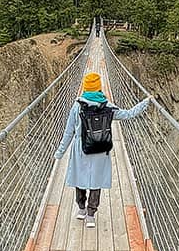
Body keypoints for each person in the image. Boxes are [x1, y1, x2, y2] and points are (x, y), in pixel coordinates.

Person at [53, 71, 150, 228]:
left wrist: (60, 152)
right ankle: (91, 215)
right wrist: (145, 103)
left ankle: (81, 209)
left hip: (81, 149)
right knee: (96, 181)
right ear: (99, 88)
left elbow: (68, 131)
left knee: (80, 178)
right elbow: (128, 114)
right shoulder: (108, 107)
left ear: (85, 88)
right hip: (100, 149)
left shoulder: (77, 107)